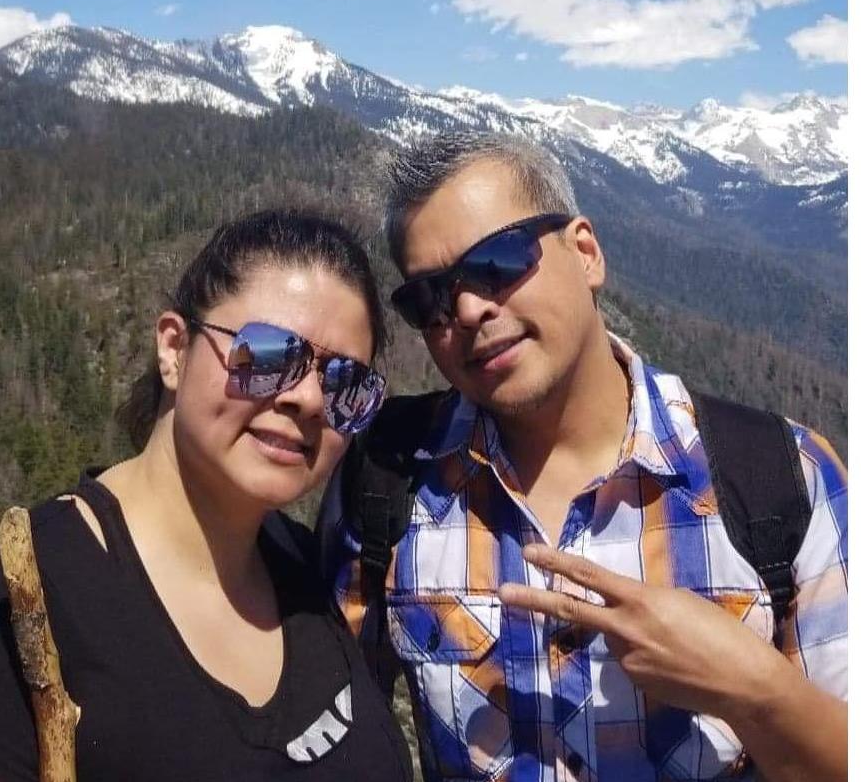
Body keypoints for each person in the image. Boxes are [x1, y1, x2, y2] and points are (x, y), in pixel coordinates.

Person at [321, 132, 847, 782]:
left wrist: (757, 690)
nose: (469, 308)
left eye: (497, 262)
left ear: (587, 254)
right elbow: (330, 733)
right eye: (430, 298)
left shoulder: (782, 478)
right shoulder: (388, 482)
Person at [0, 209, 412, 782]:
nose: (310, 400)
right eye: (270, 355)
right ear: (174, 349)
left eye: (345, 383)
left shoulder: (302, 569)